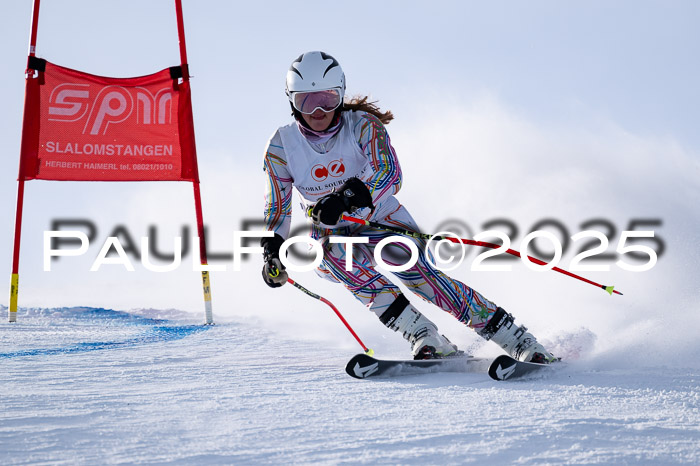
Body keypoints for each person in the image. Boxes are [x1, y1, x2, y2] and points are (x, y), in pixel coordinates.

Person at [261, 51, 555, 363]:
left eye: (328, 99)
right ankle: (423, 334)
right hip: (334, 234)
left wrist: (345, 198)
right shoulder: (281, 146)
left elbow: (390, 173)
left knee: (418, 275)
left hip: (383, 220)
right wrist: (272, 251)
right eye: (307, 101)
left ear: (341, 95)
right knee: (330, 255)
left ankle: (516, 339)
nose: (318, 111)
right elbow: (277, 208)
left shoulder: (362, 126)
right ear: (292, 102)